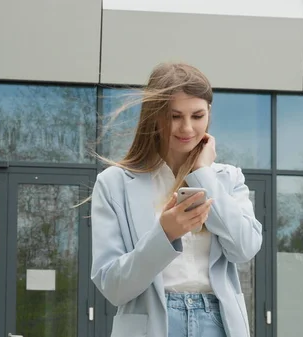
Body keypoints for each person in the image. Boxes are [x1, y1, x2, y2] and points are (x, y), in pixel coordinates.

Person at [90, 62, 263, 337]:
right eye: (174, 116)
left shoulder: (228, 178)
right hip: (153, 325)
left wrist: (204, 174)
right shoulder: (114, 183)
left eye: (197, 115)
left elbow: (244, 248)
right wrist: (165, 234)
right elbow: (113, 286)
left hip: (218, 322)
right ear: (154, 116)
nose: (187, 128)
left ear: (209, 114)